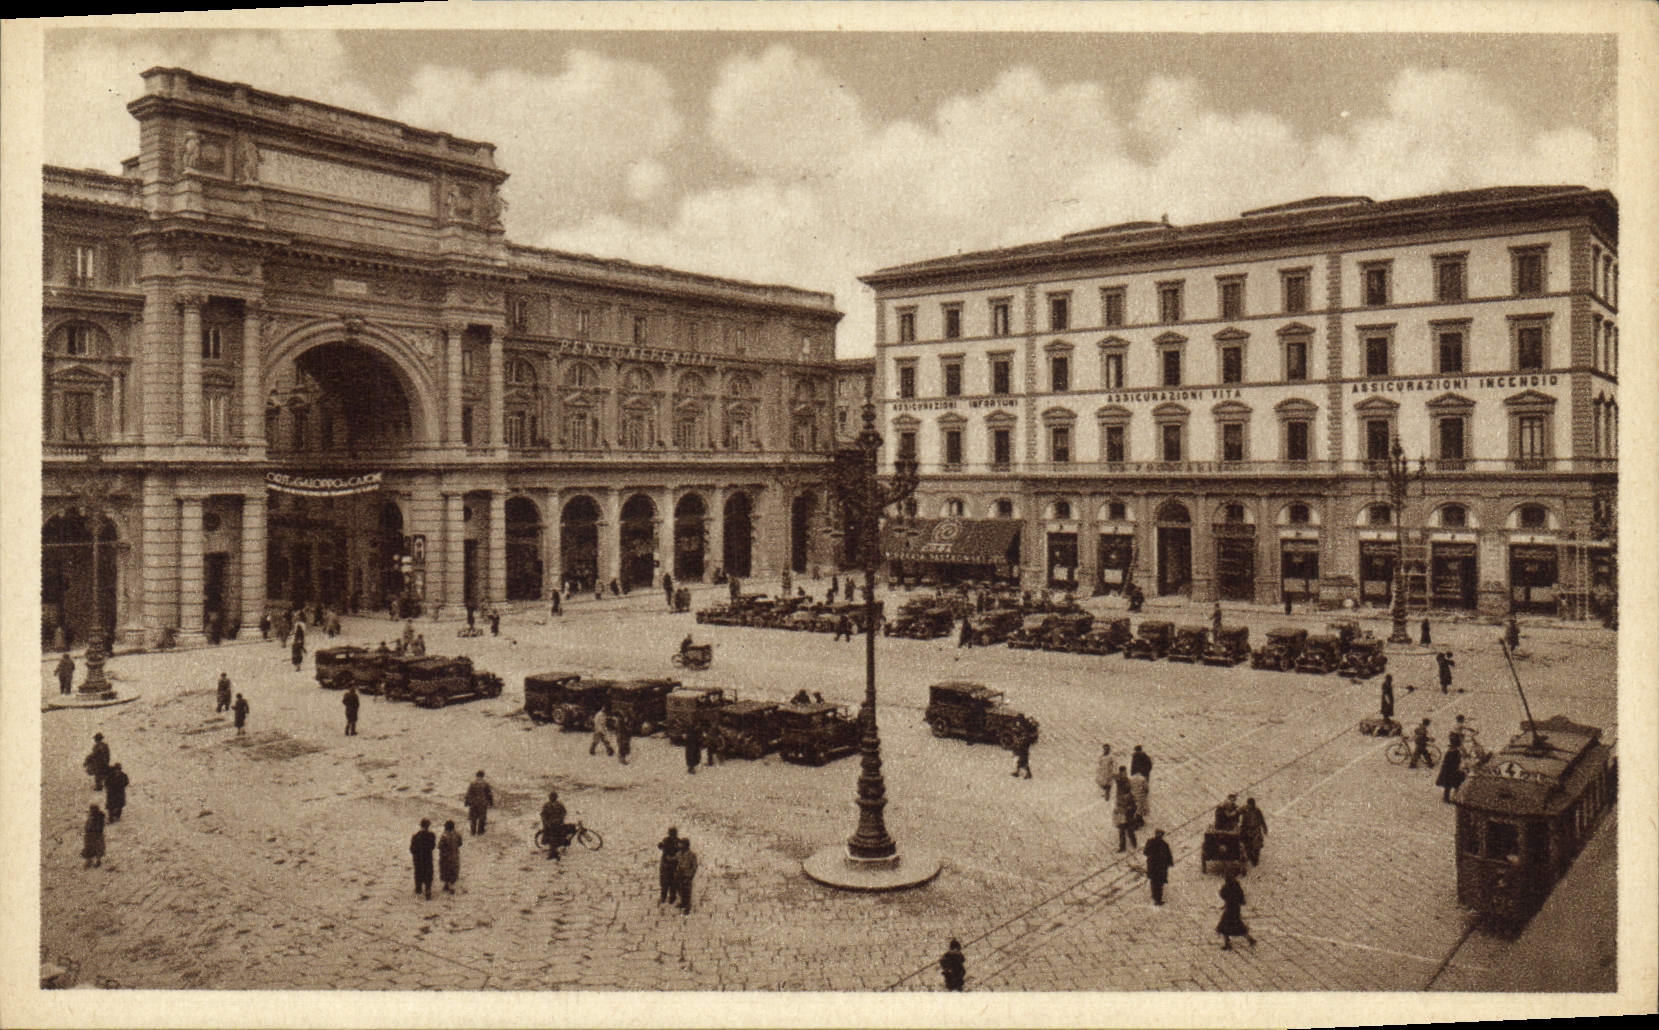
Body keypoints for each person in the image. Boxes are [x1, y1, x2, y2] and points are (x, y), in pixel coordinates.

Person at [1216, 874, 1255, 949]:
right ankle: (1249, 939)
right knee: (1237, 925)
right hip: (1236, 909)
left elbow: (1222, 894)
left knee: (1225, 926)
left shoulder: (1227, 887)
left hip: (1229, 909)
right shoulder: (1237, 886)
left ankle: (1228, 944)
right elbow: (1241, 898)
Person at [1143, 829, 1174, 905]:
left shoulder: (1150, 842)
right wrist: (1170, 863)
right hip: (1161, 866)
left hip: (1152, 865)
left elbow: (1145, 852)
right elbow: (1168, 856)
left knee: (1154, 881)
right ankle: (1158, 899)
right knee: (1159, 882)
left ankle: (1155, 896)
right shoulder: (1164, 844)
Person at [410, 819, 436, 899]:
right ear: (428, 826)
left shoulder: (415, 836)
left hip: (418, 859)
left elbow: (412, 849)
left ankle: (419, 888)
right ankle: (428, 889)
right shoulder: (432, 835)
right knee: (428, 873)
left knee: (418, 873)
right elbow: (433, 846)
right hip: (428, 858)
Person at [1113, 770, 1139, 852]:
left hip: (1127, 815)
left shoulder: (1129, 796)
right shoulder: (1120, 795)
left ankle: (1133, 844)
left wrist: (1129, 810)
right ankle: (1124, 846)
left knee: (1128, 831)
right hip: (1122, 814)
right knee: (1122, 831)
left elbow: (1134, 806)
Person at [540, 791, 568, 861]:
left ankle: (554, 852)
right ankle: (553, 853)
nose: (552, 798)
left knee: (558, 838)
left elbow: (564, 813)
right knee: (552, 839)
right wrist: (546, 822)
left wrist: (560, 819)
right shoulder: (546, 805)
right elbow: (543, 815)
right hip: (550, 825)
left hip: (558, 824)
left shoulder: (559, 805)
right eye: (551, 797)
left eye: (554, 797)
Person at [675, 837, 699, 914]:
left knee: (687, 891)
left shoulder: (692, 855)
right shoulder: (678, 854)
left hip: (687, 875)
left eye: (682, 844)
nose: (680, 846)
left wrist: (691, 875)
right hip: (679, 874)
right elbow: (676, 862)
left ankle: (688, 906)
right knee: (679, 889)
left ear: (687, 846)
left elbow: (694, 866)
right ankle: (683, 902)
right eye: (680, 844)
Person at [1240, 798, 1268, 865]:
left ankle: (1255, 860)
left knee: (1256, 846)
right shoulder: (1245, 809)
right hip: (1247, 830)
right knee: (1247, 845)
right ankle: (1249, 858)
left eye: (1251, 804)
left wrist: (1265, 828)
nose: (1250, 806)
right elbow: (1238, 812)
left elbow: (1262, 820)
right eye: (1249, 804)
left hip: (1255, 830)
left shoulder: (1257, 810)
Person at [438, 820, 463, 893]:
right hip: (454, 856)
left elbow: (439, 846)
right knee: (454, 870)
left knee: (445, 870)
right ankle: (452, 885)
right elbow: (460, 844)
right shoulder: (457, 834)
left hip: (445, 857)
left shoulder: (444, 836)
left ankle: (446, 884)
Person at [658, 827, 681, 904]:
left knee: (673, 883)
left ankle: (671, 898)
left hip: (673, 865)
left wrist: (674, 858)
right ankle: (664, 897)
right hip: (666, 865)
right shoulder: (666, 840)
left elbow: (680, 852)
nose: (672, 835)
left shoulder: (678, 841)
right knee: (665, 883)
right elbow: (661, 847)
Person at [82, 804, 106, 868]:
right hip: (93, 837)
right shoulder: (98, 818)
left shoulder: (96, 819)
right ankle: (91, 861)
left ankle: (94, 861)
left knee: (95, 849)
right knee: (94, 849)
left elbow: (91, 827)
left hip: (94, 837)